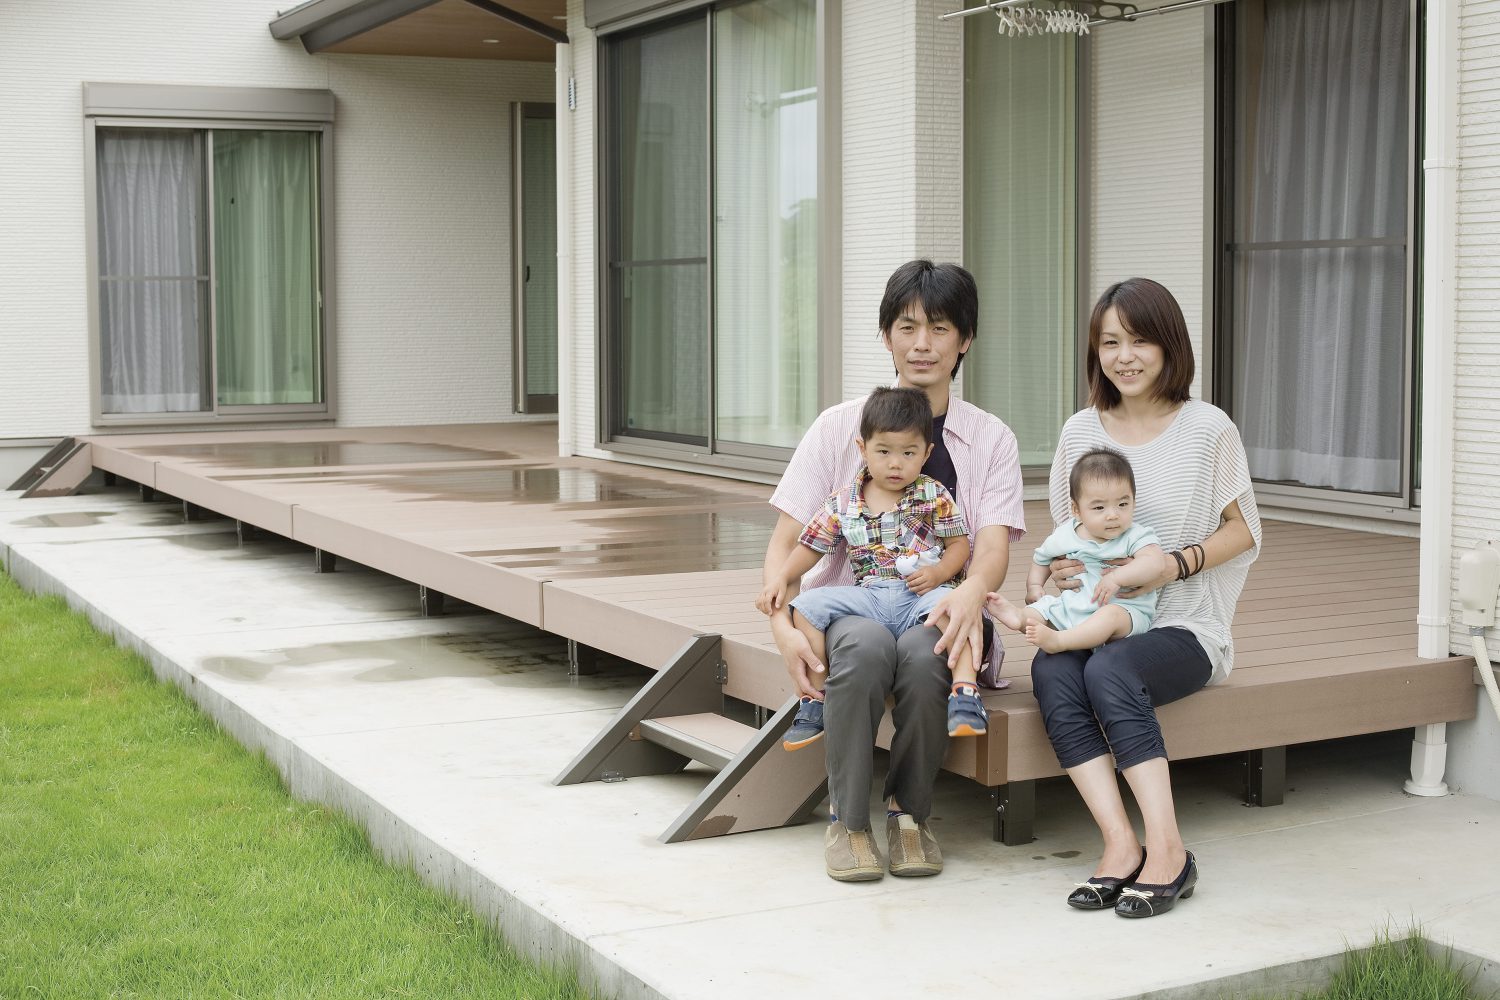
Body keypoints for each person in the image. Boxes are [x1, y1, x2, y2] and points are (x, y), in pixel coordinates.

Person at [762, 260, 1026, 883]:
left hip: (941, 604)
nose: (922, 344)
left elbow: (990, 549)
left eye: (940, 328)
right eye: (907, 327)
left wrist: (970, 593)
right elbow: (787, 544)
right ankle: (848, 822)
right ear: (886, 336)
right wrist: (783, 630)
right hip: (853, 602)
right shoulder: (838, 427)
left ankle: (910, 816)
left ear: (965, 339)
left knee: (927, 654)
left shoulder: (992, 439)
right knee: (862, 648)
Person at [1032, 277, 1260, 918]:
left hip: (1185, 626)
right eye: (1110, 343)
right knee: (1053, 668)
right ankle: (1119, 844)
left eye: (1139, 341)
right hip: (1097, 618)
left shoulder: (1207, 428)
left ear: (1169, 346)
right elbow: (1069, 537)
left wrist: (1172, 568)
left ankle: (1168, 852)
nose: (1124, 356)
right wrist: (1063, 575)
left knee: (1110, 668)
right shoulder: (1080, 431)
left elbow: (1244, 530)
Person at [757, 386, 987, 749]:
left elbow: (960, 545)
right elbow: (810, 547)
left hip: (920, 594)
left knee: (955, 608)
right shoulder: (842, 502)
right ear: (862, 448)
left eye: (908, 453)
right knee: (806, 608)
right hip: (870, 597)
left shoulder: (933, 494)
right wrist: (782, 578)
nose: (896, 463)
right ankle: (814, 698)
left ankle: (965, 691)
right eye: (884, 451)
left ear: (926, 453)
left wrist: (940, 574)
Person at [987, 448, 1165, 654]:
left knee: (1110, 615)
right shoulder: (1066, 535)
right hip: (1077, 605)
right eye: (1099, 508)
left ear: (1134, 501)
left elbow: (1155, 562)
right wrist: (1034, 586)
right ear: (1076, 510)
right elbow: (1041, 559)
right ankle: (1020, 617)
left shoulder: (1134, 535)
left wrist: (1117, 577)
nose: (1113, 515)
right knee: (1048, 607)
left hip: (1126, 612)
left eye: (1123, 504)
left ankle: (1059, 641)